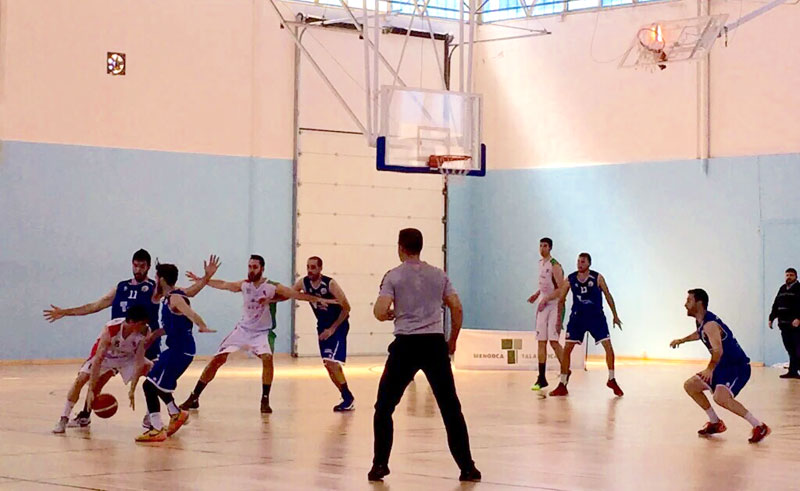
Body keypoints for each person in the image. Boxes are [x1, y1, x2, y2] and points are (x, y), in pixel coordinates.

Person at [368, 228, 480, 482]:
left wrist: (387, 314)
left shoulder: (393, 276)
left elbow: (380, 310)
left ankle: (380, 465)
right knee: (450, 408)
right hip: (434, 344)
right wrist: (452, 340)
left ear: (400, 247)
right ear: (420, 246)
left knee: (384, 407)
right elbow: (456, 307)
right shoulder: (439, 275)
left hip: (405, 346)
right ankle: (467, 467)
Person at [179, 255, 336, 413]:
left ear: (262, 269)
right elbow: (224, 284)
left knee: (267, 359)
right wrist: (204, 279)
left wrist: (321, 300)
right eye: (249, 266)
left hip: (262, 332)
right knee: (217, 359)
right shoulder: (244, 285)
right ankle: (194, 397)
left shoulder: (272, 286)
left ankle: (265, 400)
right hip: (243, 330)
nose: (251, 270)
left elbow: (296, 294)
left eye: (255, 267)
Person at [43, 249, 161, 427]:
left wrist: (201, 282)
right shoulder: (121, 288)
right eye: (135, 265)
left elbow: (177, 294)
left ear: (148, 267)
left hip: (144, 340)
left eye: (142, 266)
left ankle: (152, 416)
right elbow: (94, 306)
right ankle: (84, 414)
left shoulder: (154, 288)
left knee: (156, 376)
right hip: (117, 342)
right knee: (98, 379)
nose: (138, 270)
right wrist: (65, 312)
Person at [670, 288, 770, 443]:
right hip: (722, 366)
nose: (685, 304)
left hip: (737, 367)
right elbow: (699, 334)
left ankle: (759, 426)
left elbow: (718, 350)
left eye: (689, 301)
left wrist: (710, 369)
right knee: (690, 386)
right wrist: (681, 340)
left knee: (720, 398)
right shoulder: (702, 321)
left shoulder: (710, 324)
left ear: (699, 303)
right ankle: (715, 422)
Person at [136, 261, 217, 442]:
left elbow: (190, 313)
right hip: (176, 349)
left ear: (162, 279)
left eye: (156, 276)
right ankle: (176, 413)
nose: (155, 280)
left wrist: (202, 325)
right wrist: (154, 335)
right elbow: (192, 292)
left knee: (149, 386)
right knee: (157, 383)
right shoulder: (173, 295)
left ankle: (157, 429)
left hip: (180, 351)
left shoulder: (175, 299)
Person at [52, 305, 153, 434]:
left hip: (126, 358)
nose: (145, 326)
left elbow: (139, 360)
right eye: (142, 323)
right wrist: (90, 388)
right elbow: (98, 359)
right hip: (106, 357)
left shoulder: (145, 332)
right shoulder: (111, 328)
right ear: (132, 322)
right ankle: (64, 418)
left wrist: (132, 388)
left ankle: (152, 416)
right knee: (81, 380)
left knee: (154, 373)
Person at [542, 253, 623, 397]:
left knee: (608, 347)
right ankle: (563, 383)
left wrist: (615, 315)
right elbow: (561, 300)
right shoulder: (571, 279)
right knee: (567, 349)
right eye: (578, 261)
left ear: (589, 264)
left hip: (596, 317)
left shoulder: (597, 277)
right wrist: (559, 320)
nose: (579, 264)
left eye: (583, 262)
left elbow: (608, 295)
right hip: (577, 318)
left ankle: (611, 379)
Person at [293, 256, 355, 412]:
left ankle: (347, 398)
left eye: (313, 267)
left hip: (338, 325)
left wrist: (332, 329)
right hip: (322, 326)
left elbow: (347, 308)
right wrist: (315, 299)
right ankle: (346, 396)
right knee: (327, 364)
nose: (310, 270)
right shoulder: (303, 283)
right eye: (308, 267)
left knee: (332, 362)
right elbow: (291, 294)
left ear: (320, 268)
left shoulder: (330, 284)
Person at [527, 237, 566, 390]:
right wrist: (537, 295)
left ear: (550, 248)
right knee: (541, 341)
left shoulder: (555, 265)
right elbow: (545, 285)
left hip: (554, 306)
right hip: (543, 305)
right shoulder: (540, 264)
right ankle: (541, 378)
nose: (542, 248)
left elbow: (561, 290)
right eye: (540, 245)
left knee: (553, 342)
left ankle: (566, 369)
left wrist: (547, 299)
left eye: (545, 246)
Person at [768, 267, 800, 379]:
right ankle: (792, 371)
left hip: (796, 325)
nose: (789, 277)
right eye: (787, 275)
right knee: (790, 349)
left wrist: (798, 318)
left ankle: (796, 370)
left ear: (796, 276)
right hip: (784, 325)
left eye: (791, 275)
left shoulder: (799, 288)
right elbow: (776, 304)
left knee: (798, 349)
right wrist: (771, 318)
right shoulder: (782, 289)